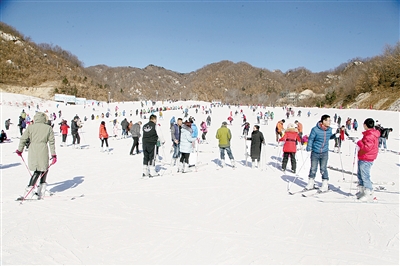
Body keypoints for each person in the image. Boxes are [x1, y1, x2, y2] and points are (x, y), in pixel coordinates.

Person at [15, 112, 56, 199]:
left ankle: (38, 189)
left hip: (33, 149)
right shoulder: (48, 128)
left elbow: (23, 139)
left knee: (38, 169)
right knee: (44, 168)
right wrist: (54, 154)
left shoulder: (30, 127)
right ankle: (34, 190)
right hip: (43, 149)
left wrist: (20, 150)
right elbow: (52, 142)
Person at [305, 115, 337, 192]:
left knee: (323, 168)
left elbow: (329, 137)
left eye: (330, 121)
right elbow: (311, 139)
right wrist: (309, 146)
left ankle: (325, 184)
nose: (330, 122)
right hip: (315, 152)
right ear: (323, 121)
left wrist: (335, 136)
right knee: (313, 168)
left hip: (324, 152)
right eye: (328, 121)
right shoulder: (315, 129)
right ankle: (311, 182)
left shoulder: (329, 130)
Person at [355, 118, 380, 201]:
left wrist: (359, 142)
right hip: (364, 156)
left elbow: (367, 148)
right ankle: (362, 190)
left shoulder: (370, 135)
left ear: (365, 125)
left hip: (367, 157)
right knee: (360, 174)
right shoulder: (369, 134)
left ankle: (368, 192)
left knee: (365, 175)